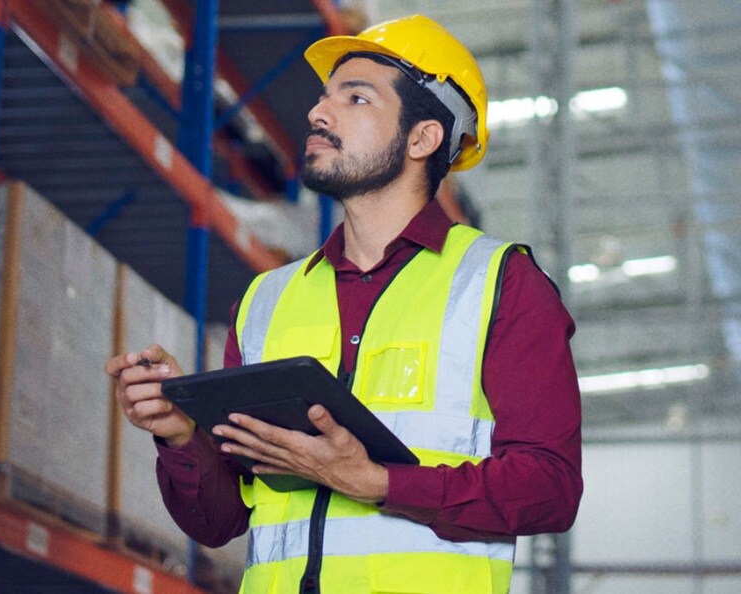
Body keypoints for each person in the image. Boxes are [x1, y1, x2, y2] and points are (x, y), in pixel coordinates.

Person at [105, 14, 582, 594]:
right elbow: (222, 519)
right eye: (324, 97)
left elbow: (550, 491)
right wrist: (180, 436)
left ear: (422, 138)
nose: (317, 113)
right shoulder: (268, 299)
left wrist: (377, 481)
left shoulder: (502, 283)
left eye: (355, 98)